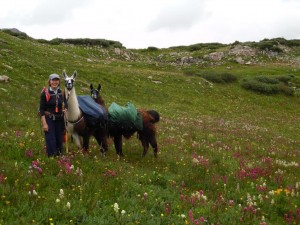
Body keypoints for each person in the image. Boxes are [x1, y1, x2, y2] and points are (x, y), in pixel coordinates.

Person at [39, 74, 66, 157]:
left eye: (56, 80)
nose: (55, 82)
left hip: (60, 119)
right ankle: (51, 158)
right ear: (49, 82)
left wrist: (65, 109)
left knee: (59, 138)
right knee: (51, 139)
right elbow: (42, 110)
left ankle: (59, 157)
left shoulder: (61, 92)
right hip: (49, 119)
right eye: (53, 80)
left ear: (59, 82)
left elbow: (65, 104)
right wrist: (44, 124)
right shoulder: (45, 93)